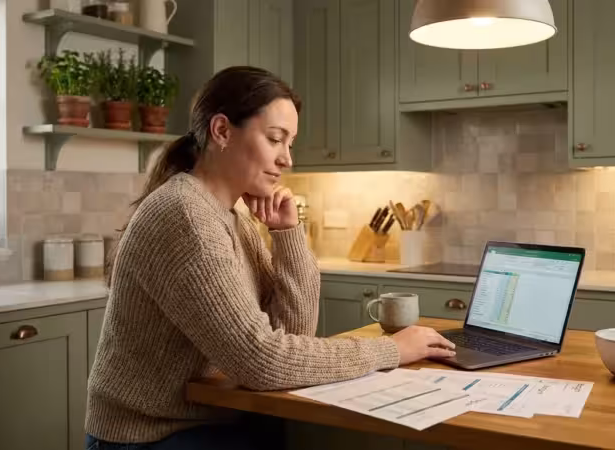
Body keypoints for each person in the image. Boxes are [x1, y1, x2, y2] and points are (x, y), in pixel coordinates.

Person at [84, 66, 456, 450]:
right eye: (276, 139)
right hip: (152, 435)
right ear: (222, 131)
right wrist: (392, 350)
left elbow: (291, 336)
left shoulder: (234, 216)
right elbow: (261, 359)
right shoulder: (185, 215)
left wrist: (287, 235)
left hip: (218, 418)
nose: (287, 159)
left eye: (290, 143)